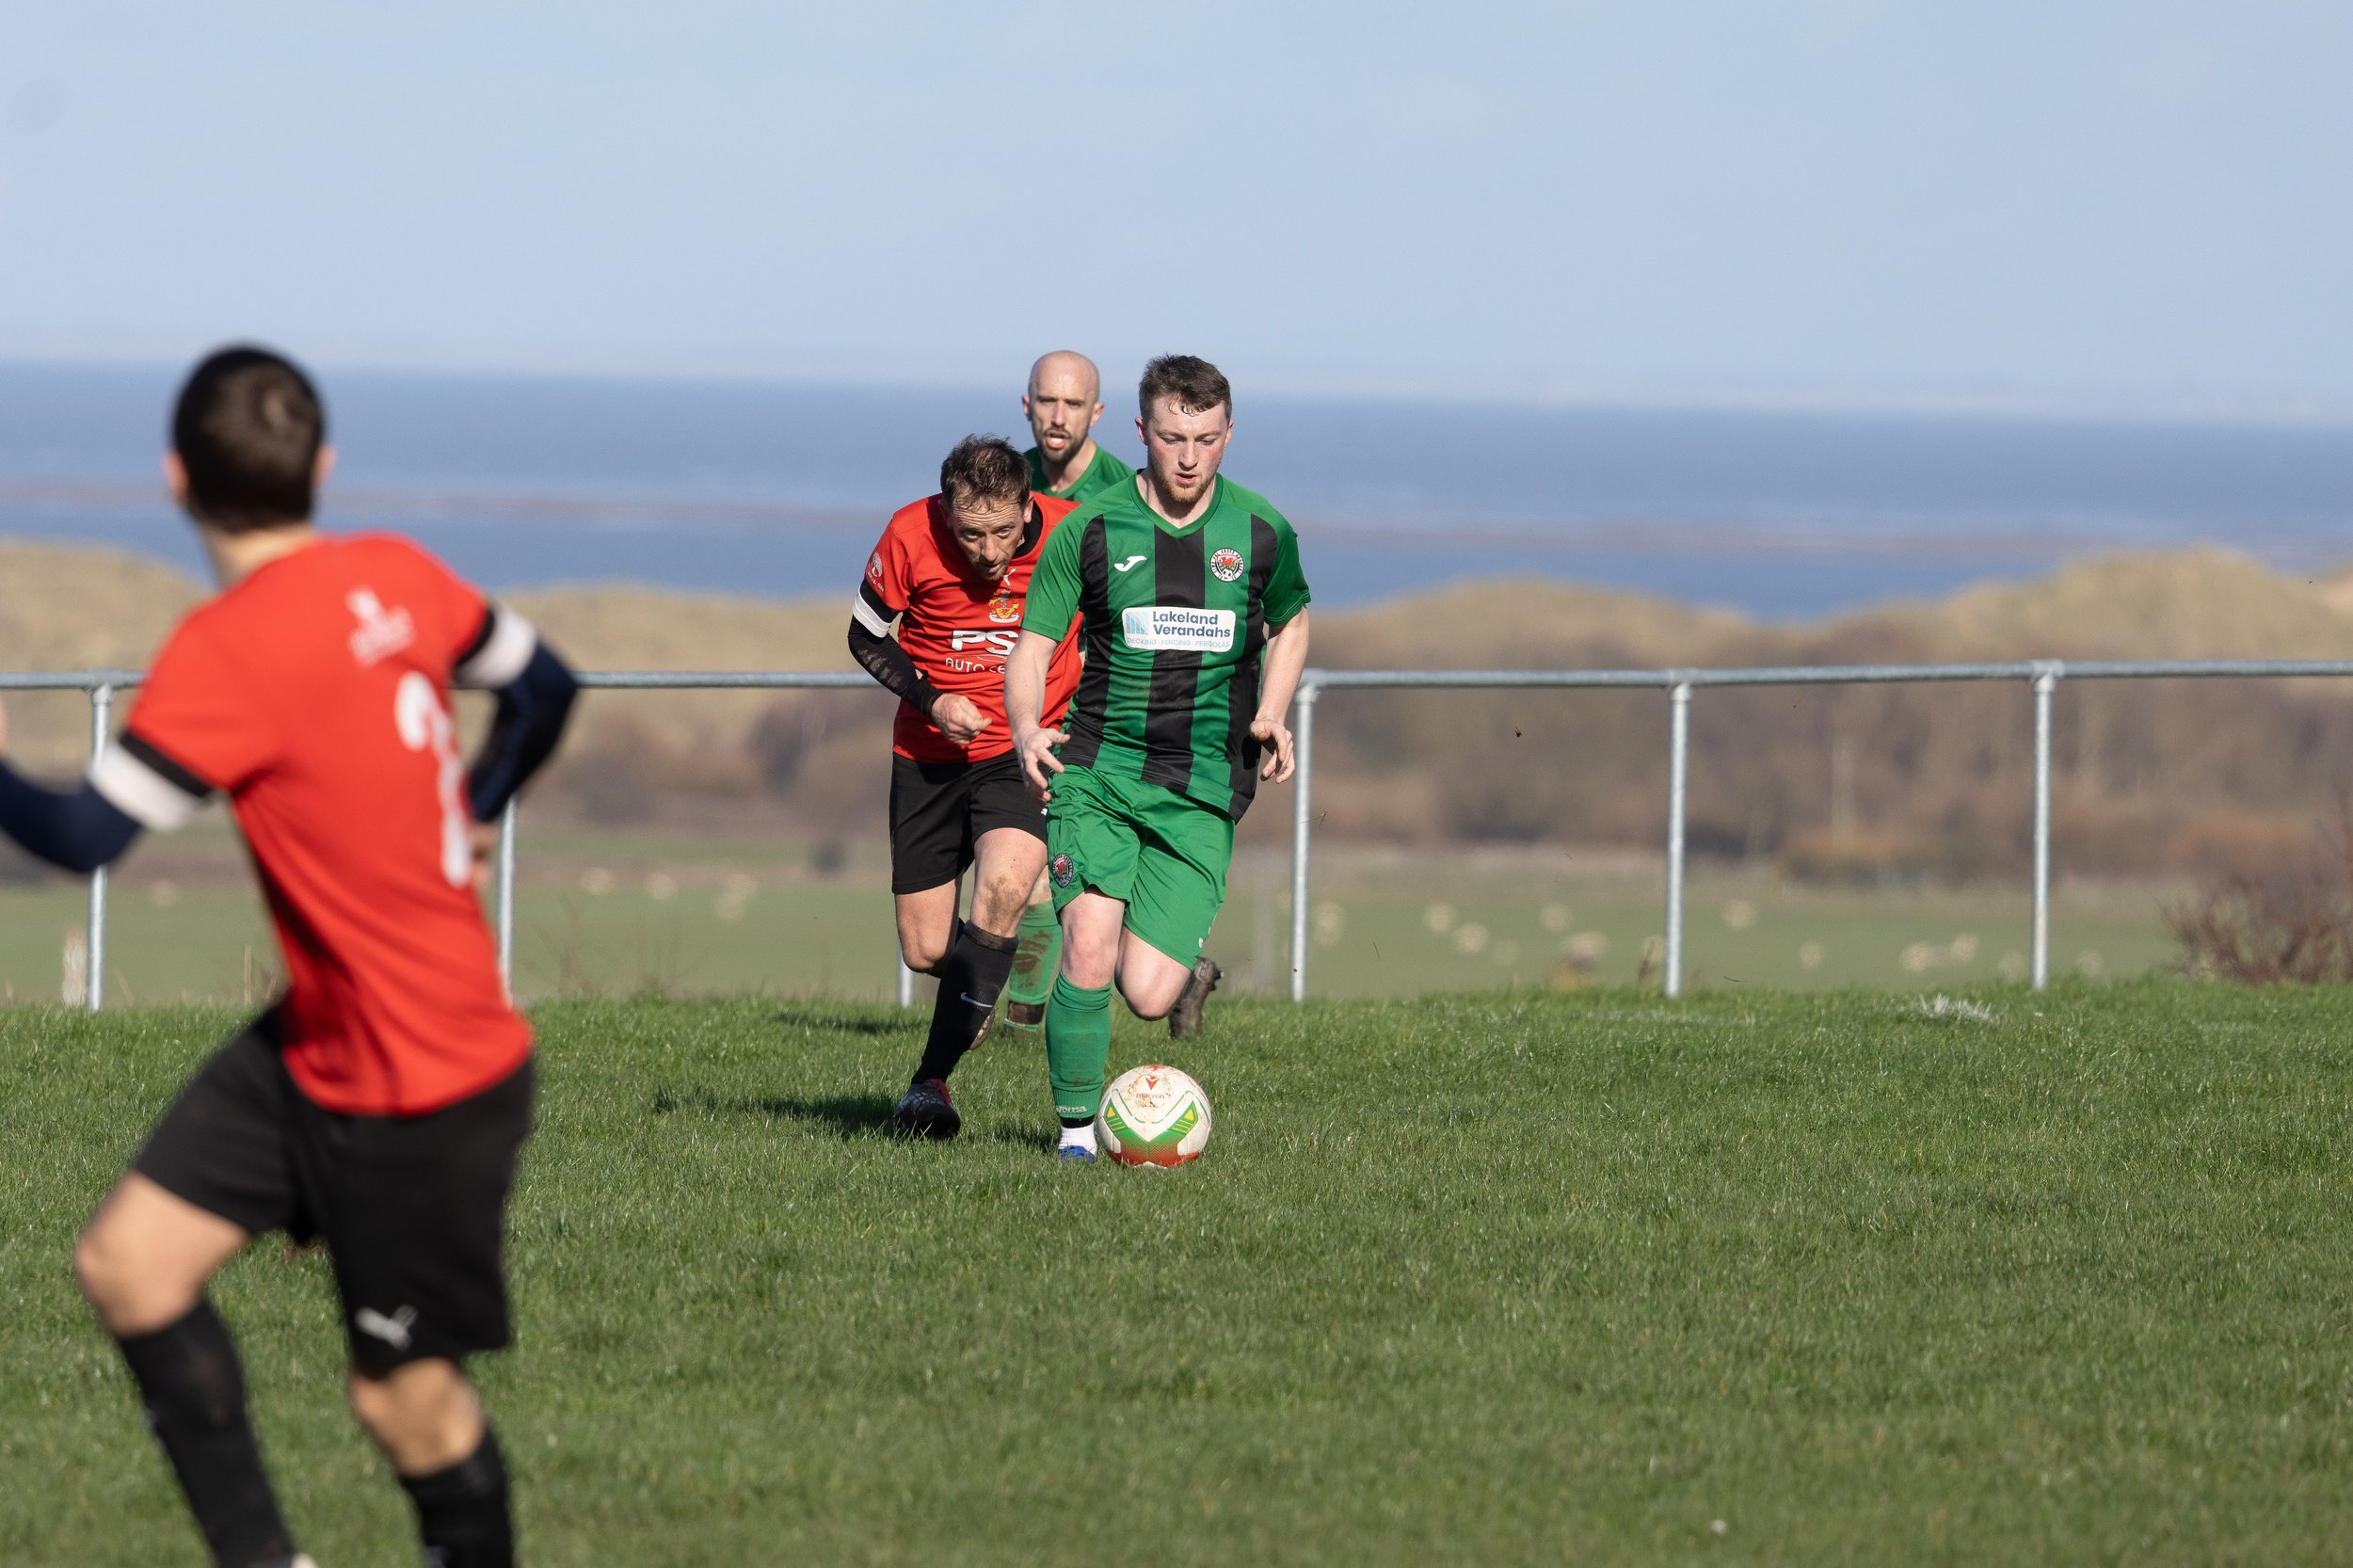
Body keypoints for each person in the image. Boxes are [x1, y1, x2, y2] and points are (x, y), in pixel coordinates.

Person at [0, 346, 578, 1568]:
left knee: (400, 1402)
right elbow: (545, 687)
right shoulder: (396, 573)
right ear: (320, 467)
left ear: (174, 480)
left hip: (429, 1076)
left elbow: (75, 836)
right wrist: (478, 801)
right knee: (130, 1266)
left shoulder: (231, 647)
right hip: (317, 1039)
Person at [1007, 355, 1312, 1160]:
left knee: (1145, 994)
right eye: (1172, 437)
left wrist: (1273, 714)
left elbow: (1293, 621)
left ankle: (1184, 977)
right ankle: (1076, 1136)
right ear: (1140, 431)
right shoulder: (1093, 528)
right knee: (1087, 945)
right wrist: (1027, 727)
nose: (1188, 457)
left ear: (1228, 434)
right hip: (1098, 773)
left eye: (1206, 439)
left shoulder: (1260, 531)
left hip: (1204, 786)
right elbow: (1033, 647)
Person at [848, 435, 1081, 1138]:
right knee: (924, 951)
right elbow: (865, 636)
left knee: (1006, 886)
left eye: (1003, 532)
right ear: (947, 512)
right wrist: (930, 700)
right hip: (928, 753)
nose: (987, 550)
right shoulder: (908, 532)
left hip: (1025, 746)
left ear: (1027, 506)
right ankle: (977, 984)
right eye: (970, 533)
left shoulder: (1075, 533)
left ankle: (928, 1085)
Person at [1008, 352, 1221, 1036]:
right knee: (1001, 880)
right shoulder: (1008, 484)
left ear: (1101, 415)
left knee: (1067, 873)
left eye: (1073, 404)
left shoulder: (1124, 489)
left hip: (1100, 714)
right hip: (1031, 686)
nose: (1057, 416)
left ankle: (1037, 998)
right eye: (1046, 401)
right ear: (1027, 405)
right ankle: (1030, 994)